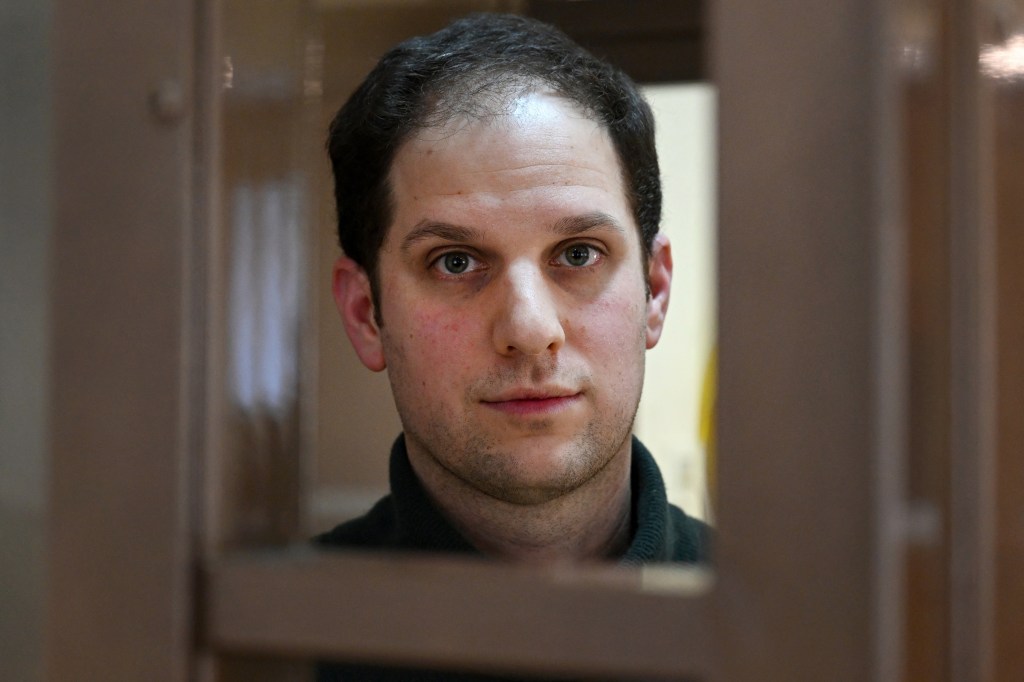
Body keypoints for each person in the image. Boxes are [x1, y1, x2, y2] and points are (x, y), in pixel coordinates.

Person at [315, 12, 710, 680]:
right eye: (456, 263)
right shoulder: (269, 641)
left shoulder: (786, 634)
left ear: (655, 289)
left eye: (578, 253)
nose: (529, 329)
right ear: (365, 314)